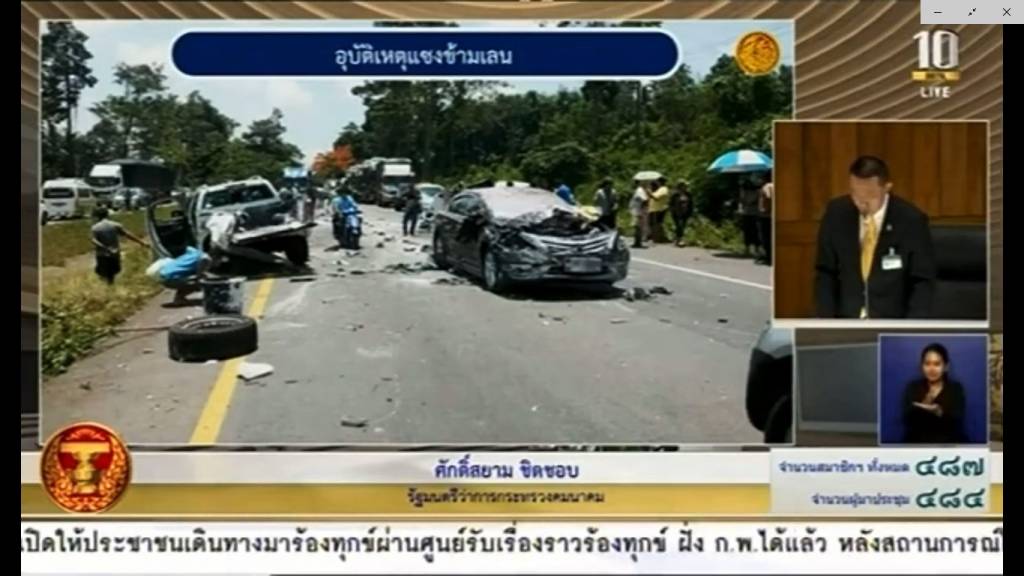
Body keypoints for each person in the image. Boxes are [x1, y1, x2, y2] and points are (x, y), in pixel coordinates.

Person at [814, 156, 936, 319]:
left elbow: (922, 282)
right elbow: (825, 272)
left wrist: (912, 327)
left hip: (891, 322)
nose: (861, 204)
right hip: (846, 320)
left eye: (869, 197)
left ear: (887, 188)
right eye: (856, 196)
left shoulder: (911, 221)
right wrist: (825, 322)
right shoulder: (836, 213)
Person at [901, 343, 967, 444]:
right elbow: (907, 421)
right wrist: (922, 407)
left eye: (937, 364)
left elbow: (957, 422)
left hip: (948, 444)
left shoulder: (956, 389)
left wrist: (939, 412)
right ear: (922, 366)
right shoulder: (913, 387)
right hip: (918, 443)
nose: (931, 369)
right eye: (927, 364)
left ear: (946, 367)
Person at [90, 207, 147, 285]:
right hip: (115, 253)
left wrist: (105, 248)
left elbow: (94, 240)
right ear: (107, 214)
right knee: (113, 272)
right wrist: (141, 242)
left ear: (97, 216)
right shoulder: (115, 225)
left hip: (102, 254)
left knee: (103, 273)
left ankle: (107, 287)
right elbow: (128, 235)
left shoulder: (95, 228)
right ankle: (110, 286)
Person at [737, 177, 761, 257]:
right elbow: (741, 201)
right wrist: (740, 209)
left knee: (754, 231)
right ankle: (748, 248)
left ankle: (755, 249)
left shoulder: (757, 192)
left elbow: (746, 201)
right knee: (748, 231)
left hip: (754, 213)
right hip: (747, 213)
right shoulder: (744, 192)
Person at [668, 179, 693, 247]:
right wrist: (672, 211)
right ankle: (680, 240)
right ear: (680, 186)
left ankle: (678, 239)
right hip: (676, 213)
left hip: (685, 213)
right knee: (679, 226)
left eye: (686, 186)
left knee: (683, 226)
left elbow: (691, 204)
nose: (685, 187)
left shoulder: (688, 194)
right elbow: (670, 204)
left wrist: (690, 212)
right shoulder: (675, 194)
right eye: (684, 185)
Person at [757, 175, 773, 264]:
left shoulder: (767, 186)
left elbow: (768, 196)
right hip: (771, 216)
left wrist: (766, 208)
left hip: (766, 216)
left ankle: (768, 257)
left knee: (765, 238)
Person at [648, 177, 670, 243]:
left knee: (656, 224)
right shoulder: (659, 189)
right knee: (653, 224)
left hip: (658, 209)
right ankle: (656, 237)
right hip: (654, 209)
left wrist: (649, 193)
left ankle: (657, 238)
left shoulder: (663, 189)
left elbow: (656, 198)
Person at [629, 179, 650, 249]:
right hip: (638, 211)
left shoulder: (639, 190)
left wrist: (641, 211)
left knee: (638, 227)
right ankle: (637, 242)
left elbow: (645, 200)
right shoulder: (640, 190)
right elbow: (645, 200)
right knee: (638, 227)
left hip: (638, 211)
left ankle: (637, 242)